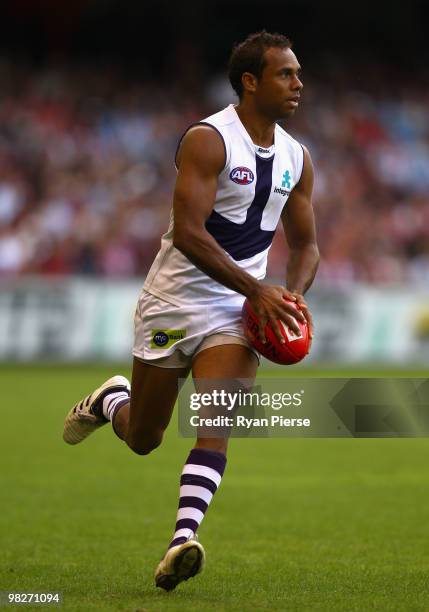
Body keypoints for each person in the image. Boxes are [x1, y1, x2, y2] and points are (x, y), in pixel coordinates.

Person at [63, 31, 319, 591]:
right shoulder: (209, 140)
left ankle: (181, 541)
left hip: (235, 307)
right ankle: (111, 401)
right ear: (250, 81)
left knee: (215, 425)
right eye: (285, 74)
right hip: (174, 300)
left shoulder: (298, 158)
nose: (299, 83)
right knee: (145, 437)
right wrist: (258, 292)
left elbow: (306, 245)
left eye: (298, 73)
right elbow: (188, 235)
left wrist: (291, 293)